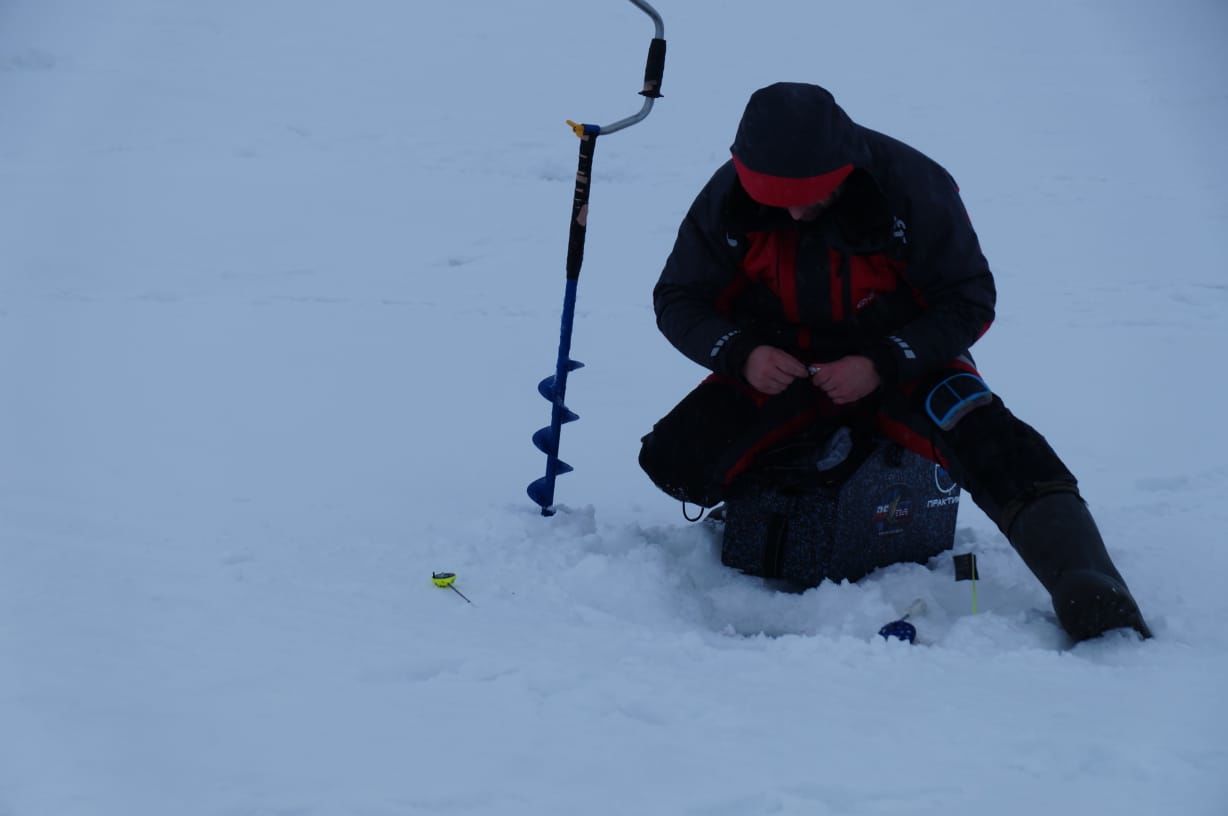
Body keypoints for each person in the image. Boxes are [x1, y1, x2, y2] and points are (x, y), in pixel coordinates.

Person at [638, 82, 1149, 642]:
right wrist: (741, 353)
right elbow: (678, 298)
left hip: (907, 363)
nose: (795, 211)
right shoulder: (727, 196)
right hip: (785, 366)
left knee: (993, 443)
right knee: (676, 460)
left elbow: (969, 297)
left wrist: (882, 361)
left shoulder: (911, 185)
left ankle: (1089, 582)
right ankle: (823, 461)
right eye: (776, 197)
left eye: (809, 194)